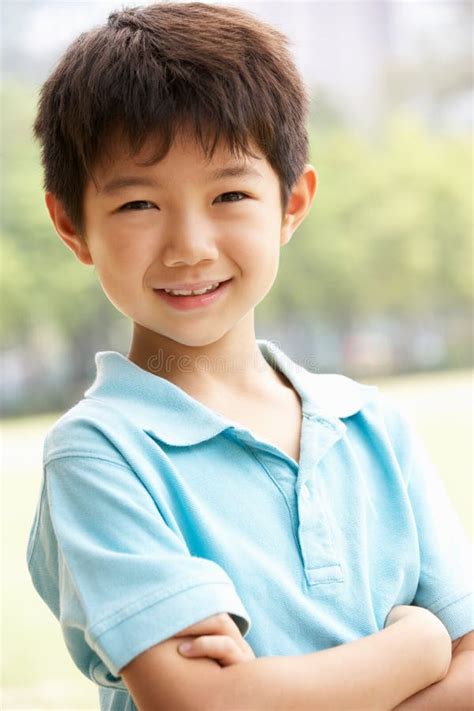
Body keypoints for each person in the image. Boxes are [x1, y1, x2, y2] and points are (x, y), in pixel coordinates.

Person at [26, 3, 473, 710]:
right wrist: (414, 649)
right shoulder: (99, 454)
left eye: (230, 193)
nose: (189, 246)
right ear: (71, 225)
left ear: (292, 202)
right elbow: (206, 703)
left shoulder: (370, 425)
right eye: (139, 204)